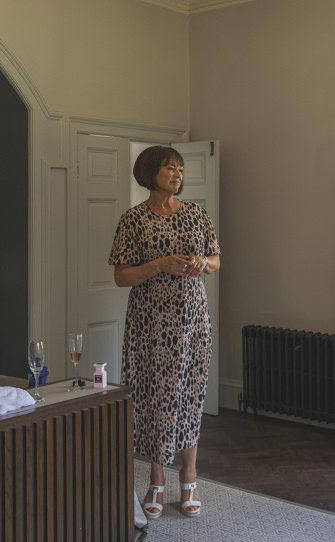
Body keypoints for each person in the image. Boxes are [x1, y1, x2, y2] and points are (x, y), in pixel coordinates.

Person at [109, 146, 221, 520]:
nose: (177, 174)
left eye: (180, 168)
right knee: (153, 395)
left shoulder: (196, 214)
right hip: (149, 322)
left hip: (191, 320)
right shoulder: (134, 220)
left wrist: (204, 262)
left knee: (189, 391)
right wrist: (158, 265)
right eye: (169, 168)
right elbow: (121, 275)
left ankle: (189, 475)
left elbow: (216, 260)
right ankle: (156, 478)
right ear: (149, 173)